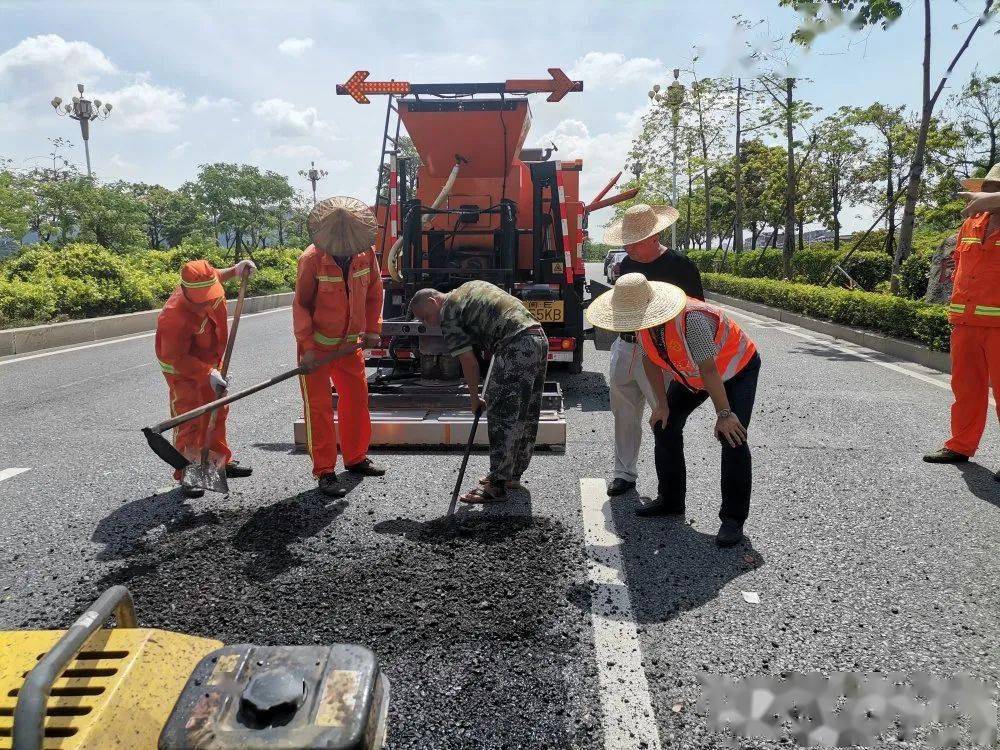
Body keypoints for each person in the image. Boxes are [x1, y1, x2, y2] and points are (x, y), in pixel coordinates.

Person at [586, 273, 761, 547]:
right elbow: (650, 361)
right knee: (663, 425)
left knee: (733, 437)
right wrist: (662, 405)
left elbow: (709, 369)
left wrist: (724, 414)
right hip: (691, 375)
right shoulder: (644, 325)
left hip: (734, 370)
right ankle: (671, 499)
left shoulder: (692, 320)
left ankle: (732, 519)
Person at [409, 280, 549, 503]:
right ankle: (510, 474)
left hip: (515, 345)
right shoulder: (467, 288)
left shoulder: (448, 313)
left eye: (424, 316)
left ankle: (496, 486)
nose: (426, 322)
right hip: (536, 337)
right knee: (525, 412)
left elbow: (469, 362)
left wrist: (475, 399)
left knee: (502, 415)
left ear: (432, 300)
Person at [602, 203, 705, 498]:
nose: (627, 246)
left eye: (632, 240)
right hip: (625, 346)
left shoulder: (681, 267)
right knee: (623, 413)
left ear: (652, 236)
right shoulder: (627, 266)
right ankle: (624, 473)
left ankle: (668, 489)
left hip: (660, 354)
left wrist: (690, 361)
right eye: (625, 239)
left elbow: (696, 314)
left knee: (665, 418)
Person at [294, 196, 386, 498]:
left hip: (349, 347)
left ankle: (355, 458)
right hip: (317, 351)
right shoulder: (311, 259)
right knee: (319, 409)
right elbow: (302, 306)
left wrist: (373, 328)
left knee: (356, 400)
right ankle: (324, 470)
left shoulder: (365, 254)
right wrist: (307, 347)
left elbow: (374, 293)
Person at [155, 258, 256, 498]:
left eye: (211, 294)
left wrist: (236, 270)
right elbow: (175, 357)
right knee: (190, 416)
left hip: (210, 360)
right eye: (203, 298)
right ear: (187, 292)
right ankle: (188, 473)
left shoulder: (208, 281)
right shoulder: (174, 316)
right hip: (182, 367)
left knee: (217, 410)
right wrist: (206, 373)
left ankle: (215, 464)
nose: (209, 300)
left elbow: (217, 276)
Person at [924, 164, 1000, 476]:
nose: (989, 193)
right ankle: (960, 444)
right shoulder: (972, 222)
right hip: (966, 322)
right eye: (989, 187)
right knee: (966, 388)